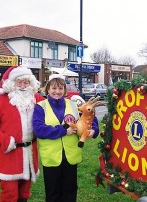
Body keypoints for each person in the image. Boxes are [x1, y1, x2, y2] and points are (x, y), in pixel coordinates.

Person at [0, 66, 45, 202]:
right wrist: (4, 142)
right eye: (19, 82)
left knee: (24, 192)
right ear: (12, 83)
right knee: (9, 193)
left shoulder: (37, 99)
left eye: (26, 82)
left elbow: (51, 111)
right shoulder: (0, 100)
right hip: (9, 154)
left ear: (31, 83)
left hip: (29, 153)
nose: (23, 86)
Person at [32, 74, 99, 202]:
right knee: (53, 193)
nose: (57, 91)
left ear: (65, 90)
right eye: (54, 88)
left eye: (60, 88)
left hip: (71, 156)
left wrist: (93, 130)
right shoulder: (40, 107)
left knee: (70, 191)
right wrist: (63, 130)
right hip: (51, 157)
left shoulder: (74, 105)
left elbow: (90, 116)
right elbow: (39, 129)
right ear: (47, 90)